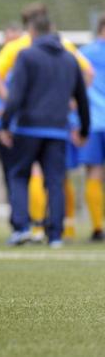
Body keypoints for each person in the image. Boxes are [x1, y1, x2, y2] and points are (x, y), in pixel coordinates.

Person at [0, 2, 93, 242]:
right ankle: (55, 234)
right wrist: (83, 128)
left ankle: (21, 227)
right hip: (58, 128)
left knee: (19, 175)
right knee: (55, 180)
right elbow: (81, 96)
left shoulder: (25, 53)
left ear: (32, 32)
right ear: (53, 29)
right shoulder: (69, 56)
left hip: (28, 127)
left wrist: (5, 125)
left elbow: (15, 94)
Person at [78, 13, 105, 241]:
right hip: (95, 121)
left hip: (93, 121)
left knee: (94, 173)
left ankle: (98, 227)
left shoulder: (84, 54)